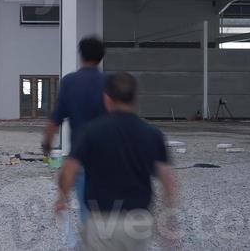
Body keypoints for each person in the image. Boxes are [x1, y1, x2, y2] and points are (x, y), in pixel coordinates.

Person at [55, 71, 176, 251]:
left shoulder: (91, 132)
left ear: (107, 98)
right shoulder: (152, 134)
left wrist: (62, 198)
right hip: (139, 221)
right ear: (134, 98)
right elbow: (168, 182)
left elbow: (68, 169)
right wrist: (169, 220)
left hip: (102, 220)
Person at [42, 36, 106, 216]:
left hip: (81, 156)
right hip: (108, 156)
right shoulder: (109, 83)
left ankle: (91, 238)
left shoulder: (70, 82)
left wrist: (47, 142)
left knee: (88, 209)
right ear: (101, 57)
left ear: (81, 56)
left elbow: (55, 119)